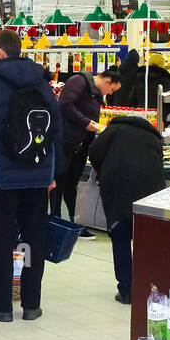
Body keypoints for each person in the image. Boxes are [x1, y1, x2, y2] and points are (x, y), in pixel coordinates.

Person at [0, 29, 61, 323]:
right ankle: (31, 303)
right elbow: (56, 127)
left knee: (3, 239)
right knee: (32, 238)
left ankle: (2, 305)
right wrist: (54, 171)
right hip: (37, 172)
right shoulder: (41, 80)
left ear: (1, 53)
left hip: (3, 174)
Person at [88, 114, 164, 305]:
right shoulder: (153, 136)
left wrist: (102, 170)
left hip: (118, 189)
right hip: (150, 193)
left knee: (120, 236)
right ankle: (149, 287)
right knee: (147, 241)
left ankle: (126, 291)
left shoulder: (112, 130)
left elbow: (94, 152)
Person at [52, 70, 120, 229]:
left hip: (80, 145)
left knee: (72, 184)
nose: (110, 93)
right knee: (59, 184)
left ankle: (74, 225)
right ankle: (55, 223)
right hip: (65, 143)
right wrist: (86, 123)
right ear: (107, 81)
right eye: (112, 89)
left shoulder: (94, 93)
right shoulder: (79, 81)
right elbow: (65, 105)